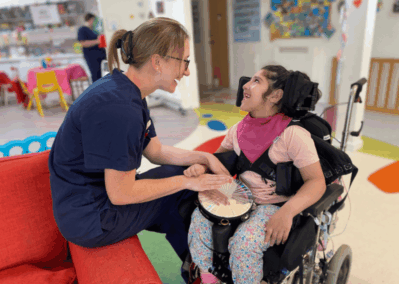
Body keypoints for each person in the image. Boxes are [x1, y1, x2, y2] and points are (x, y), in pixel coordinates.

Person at [49, 17, 233, 273]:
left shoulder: (125, 89)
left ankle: (192, 261)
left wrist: (204, 158)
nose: (187, 71)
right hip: (91, 218)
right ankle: (203, 267)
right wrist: (190, 181)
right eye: (185, 61)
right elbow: (121, 194)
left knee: (181, 177)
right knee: (185, 187)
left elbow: (156, 152)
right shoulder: (120, 109)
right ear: (158, 62)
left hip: (84, 202)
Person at [184, 65, 327, 284]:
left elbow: (316, 182)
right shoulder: (238, 129)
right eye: (250, 79)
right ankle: (206, 275)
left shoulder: (293, 135)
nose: (245, 86)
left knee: (244, 243)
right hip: (239, 193)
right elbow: (218, 159)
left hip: (273, 203)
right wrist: (202, 167)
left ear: (275, 96)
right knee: (198, 216)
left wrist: (287, 212)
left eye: (256, 81)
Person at [77, 13, 107, 82]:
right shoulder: (83, 29)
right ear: (90, 20)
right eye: (94, 20)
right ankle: (97, 91)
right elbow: (83, 43)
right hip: (92, 57)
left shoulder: (94, 30)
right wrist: (97, 41)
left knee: (106, 73)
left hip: (101, 55)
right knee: (96, 75)